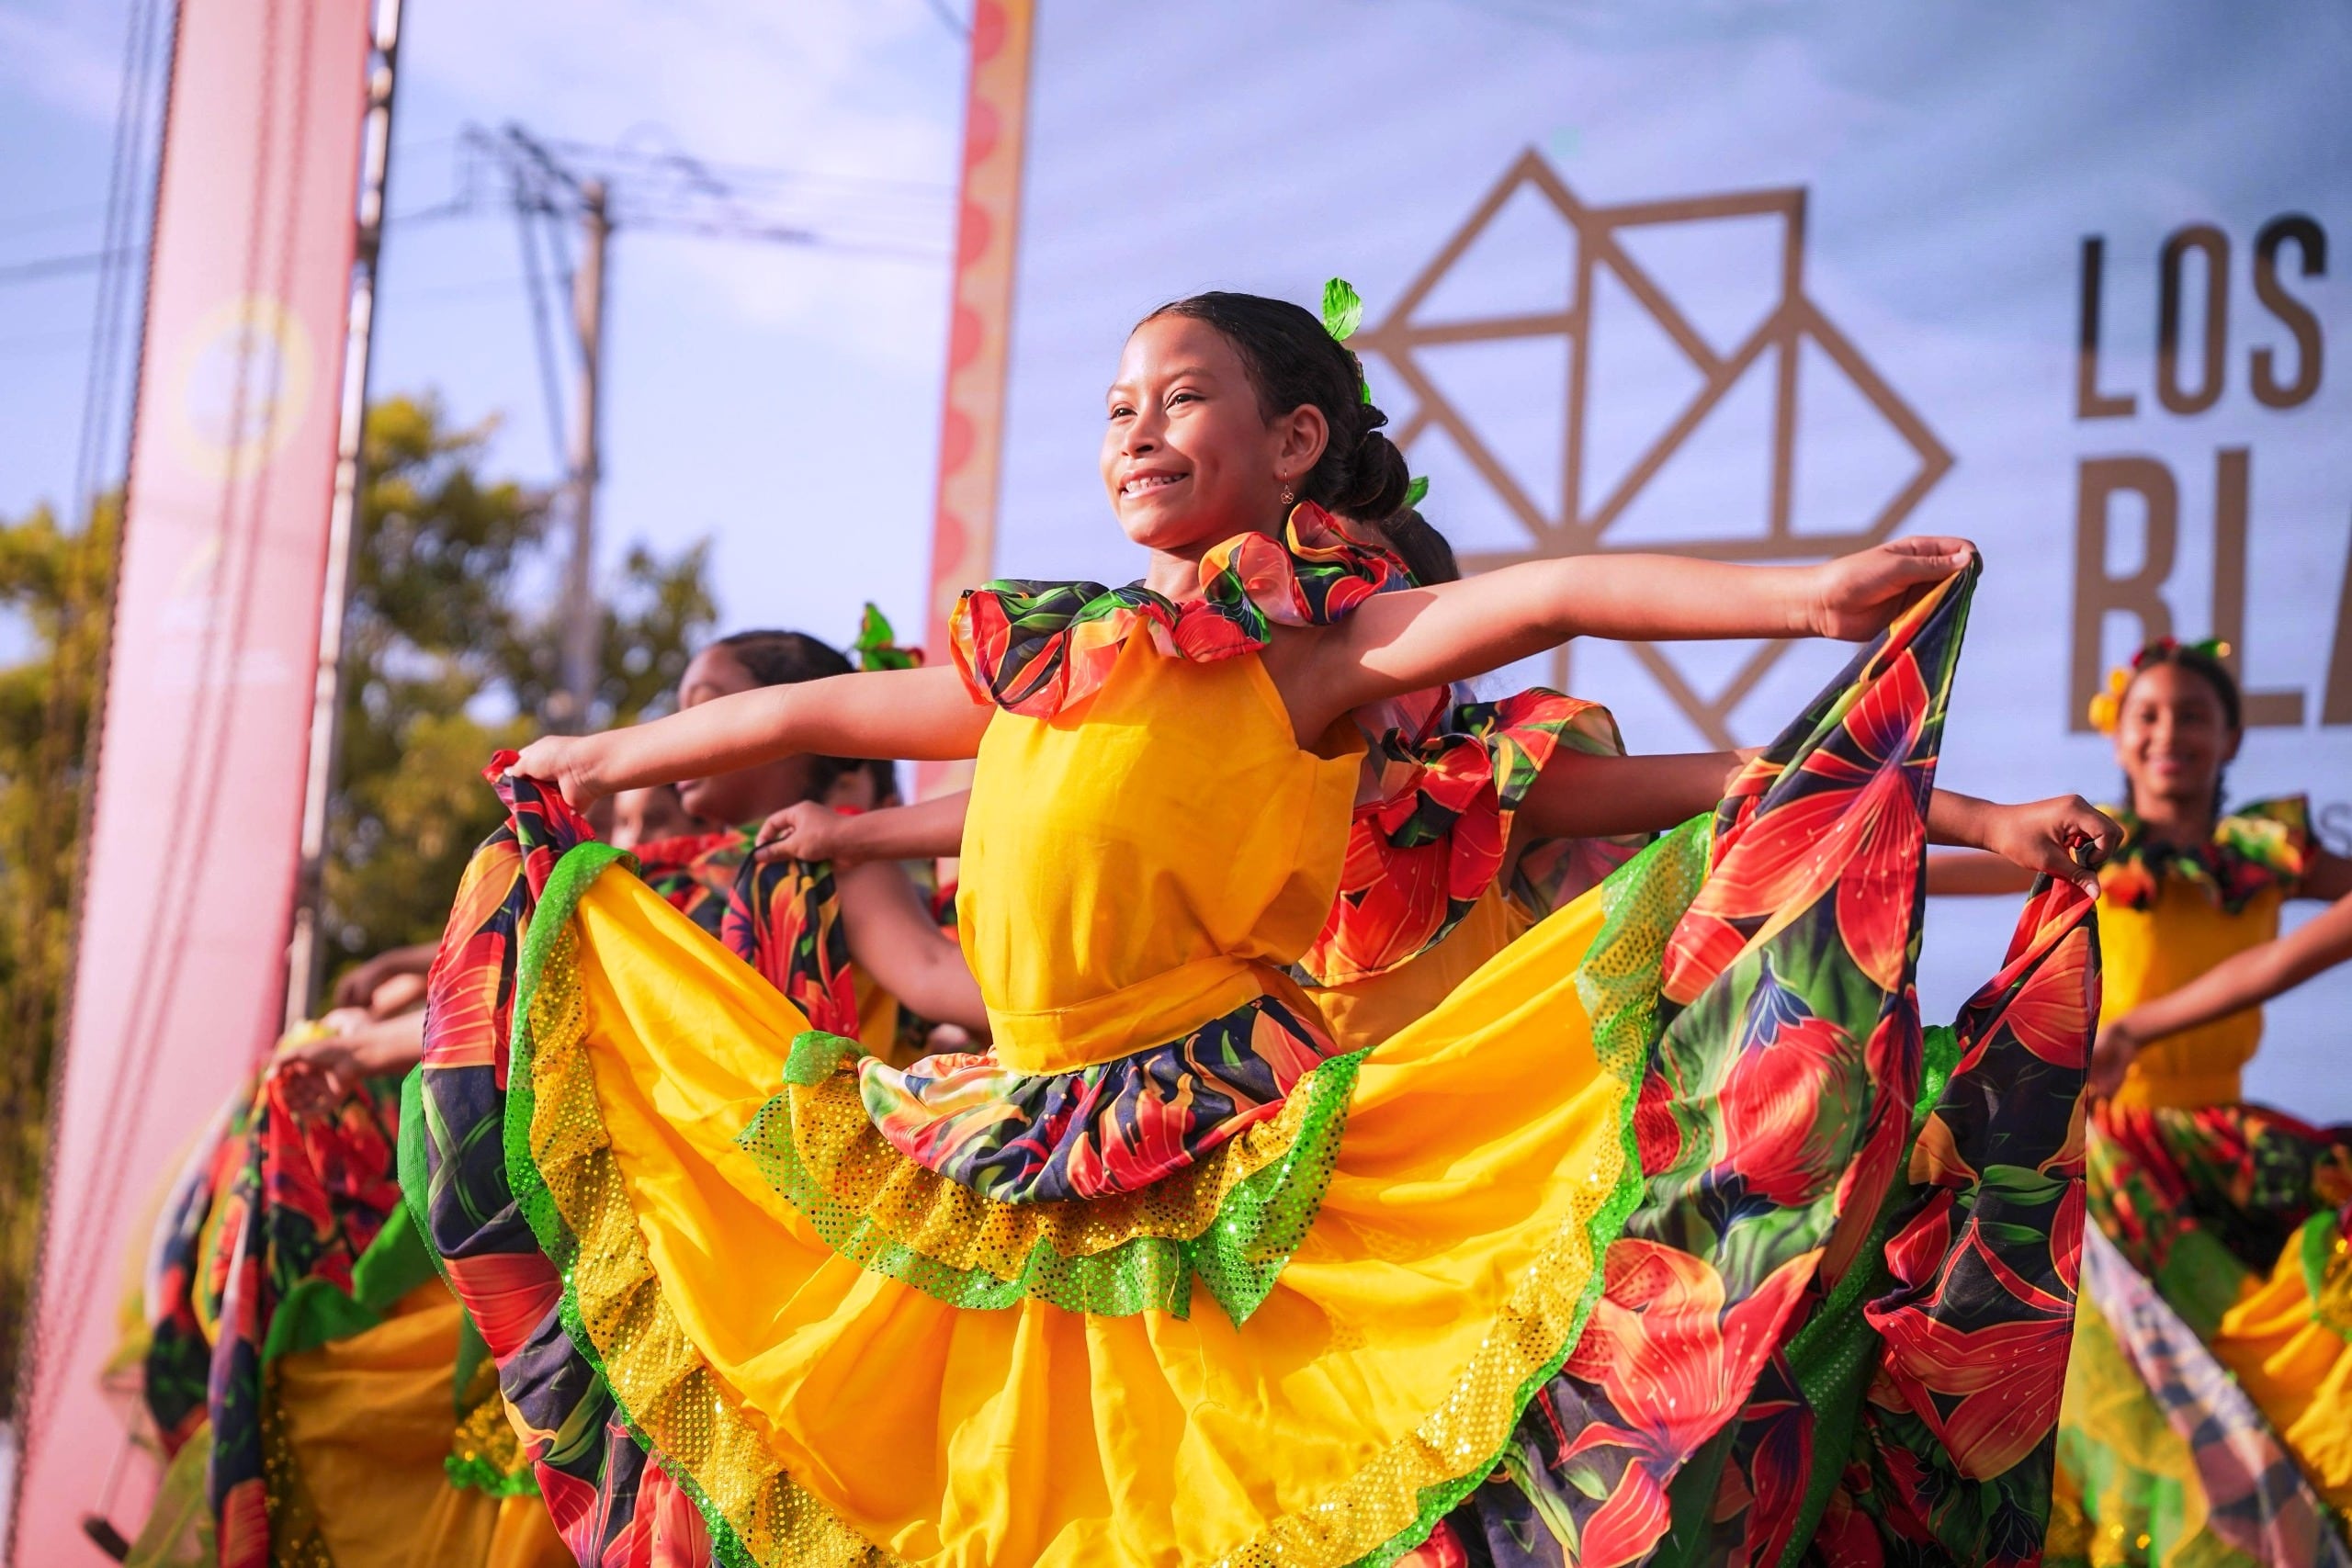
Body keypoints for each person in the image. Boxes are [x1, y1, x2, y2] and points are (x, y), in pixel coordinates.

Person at [411, 288, 2098, 1566]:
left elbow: (1577, 613)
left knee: (1229, 1480)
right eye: (1120, 404)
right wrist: (613, 752)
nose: (1139, 426)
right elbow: (889, 722)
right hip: (1011, 1129)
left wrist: (1808, 603)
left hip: (1222, 1131)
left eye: (1184, 397)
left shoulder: (1322, 670)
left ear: (1295, 450)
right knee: (1012, 1476)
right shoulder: (1049, 664)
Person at [1929, 635, 2352, 1566]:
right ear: (2118, 740)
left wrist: (2151, 1025)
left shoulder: (2266, 855)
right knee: (2137, 1388)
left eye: (2194, 716)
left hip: (2225, 1150)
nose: (2170, 736)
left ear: (2231, 738)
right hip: (2106, 1157)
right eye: (2148, 716)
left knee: (2271, 1363)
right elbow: (1931, 870)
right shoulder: (2085, 851)